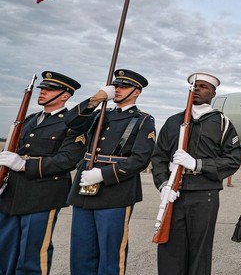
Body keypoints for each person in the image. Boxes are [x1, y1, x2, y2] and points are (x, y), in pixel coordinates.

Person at [64, 69, 156, 275]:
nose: (118, 90)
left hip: (115, 191)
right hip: (84, 186)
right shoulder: (98, 114)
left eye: (123, 86)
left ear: (137, 92)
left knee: (110, 254)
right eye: (115, 86)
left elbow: (140, 159)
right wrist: (96, 98)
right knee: (81, 252)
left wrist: (103, 175)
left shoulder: (143, 120)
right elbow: (70, 121)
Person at [151, 72, 241, 275]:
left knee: (199, 252)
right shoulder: (174, 122)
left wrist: (198, 164)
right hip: (174, 194)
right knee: (169, 250)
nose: (197, 90)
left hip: (205, 194)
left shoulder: (222, 123)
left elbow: (232, 160)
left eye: (202, 86)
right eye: (194, 86)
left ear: (213, 93)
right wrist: (163, 184)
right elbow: (158, 157)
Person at [0, 71, 84, 275]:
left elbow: (67, 160)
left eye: (49, 89)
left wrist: (24, 165)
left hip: (42, 195)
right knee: (5, 252)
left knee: (32, 255)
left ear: (65, 95)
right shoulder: (29, 119)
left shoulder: (72, 123)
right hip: (12, 195)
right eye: (42, 88)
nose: (43, 92)